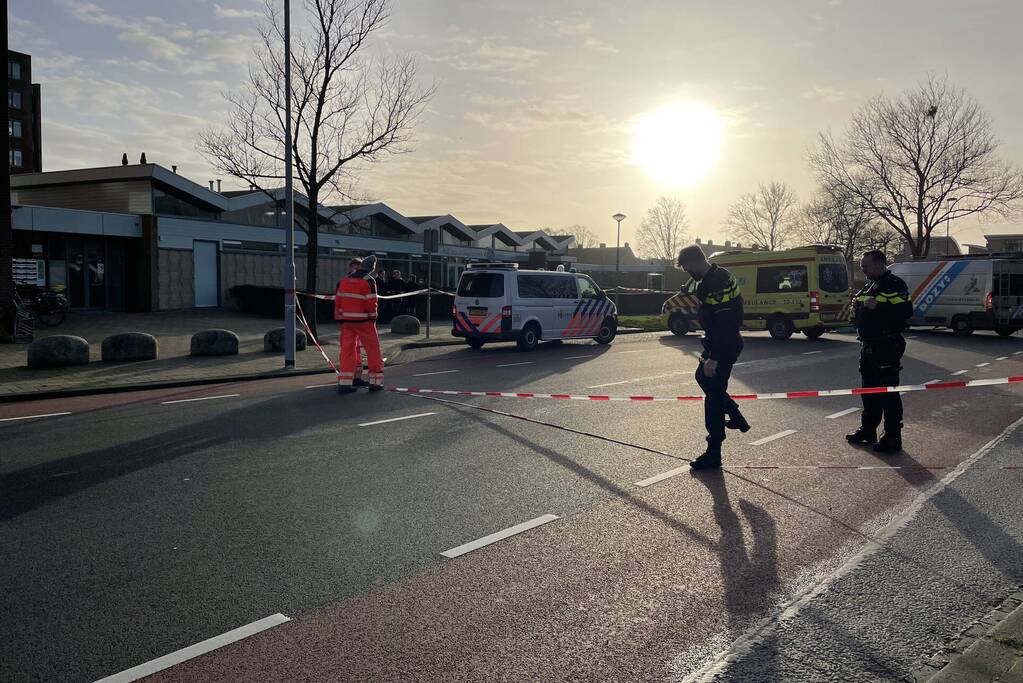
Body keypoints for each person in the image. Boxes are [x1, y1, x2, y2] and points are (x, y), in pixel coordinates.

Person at [676, 245, 750, 471]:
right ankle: (735, 415)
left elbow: (726, 323)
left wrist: (714, 358)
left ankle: (713, 453)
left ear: (694, 261)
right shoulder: (714, 276)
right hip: (719, 341)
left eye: (687, 268)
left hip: (724, 344)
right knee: (704, 379)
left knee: (714, 398)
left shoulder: (717, 283)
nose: (688, 272)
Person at [846, 250, 913, 453]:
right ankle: (868, 430)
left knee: (888, 392)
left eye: (866, 266)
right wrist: (856, 308)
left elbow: (906, 311)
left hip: (886, 344)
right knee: (869, 391)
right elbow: (861, 310)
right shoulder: (869, 285)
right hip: (868, 345)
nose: (863, 270)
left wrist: (878, 307)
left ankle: (893, 436)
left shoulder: (895, 284)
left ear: (879, 264)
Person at [335, 255, 384, 394]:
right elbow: (371, 302)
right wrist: (373, 317)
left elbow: (338, 301)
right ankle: (375, 383)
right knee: (373, 351)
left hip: (346, 322)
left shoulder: (344, 280)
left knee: (347, 352)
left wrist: (340, 317)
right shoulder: (369, 280)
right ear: (371, 269)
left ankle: (344, 384)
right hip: (364, 322)